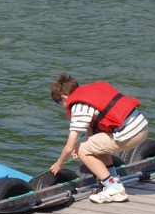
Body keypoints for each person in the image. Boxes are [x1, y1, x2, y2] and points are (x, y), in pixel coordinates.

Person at [49, 73, 149, 204]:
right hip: (142, 126)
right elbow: (94, 136)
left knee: (81, 149)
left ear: (64, 97)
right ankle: (113, 178)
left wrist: (59, 163)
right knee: (91, 143)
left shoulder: (78, 106)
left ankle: (114, 188)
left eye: (60, 103)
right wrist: (86, 146)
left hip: (130, 134)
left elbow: (69, 146)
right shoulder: (90, 93)